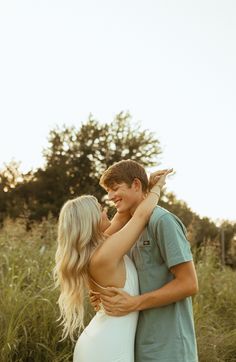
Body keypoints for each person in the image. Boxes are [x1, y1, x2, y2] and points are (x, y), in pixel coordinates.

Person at [54, 167, 171, 362]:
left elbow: (122, 215)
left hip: (104, 343)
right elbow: (140, 217)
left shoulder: (100, 247)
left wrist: (141, 187)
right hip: (107, 349)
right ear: (90, 222)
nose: (106, 210)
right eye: (101, 210)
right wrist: (157, 188)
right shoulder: (105, 254)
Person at [91, 159, 199, 362]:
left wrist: (134, 303)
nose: (111, 196)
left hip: (169, 348)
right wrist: (104, 295)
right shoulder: (126, 230)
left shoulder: (163, 221)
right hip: (135, 347)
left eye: (115, 188)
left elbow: (189, 284)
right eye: (109, 191)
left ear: (136, 184)